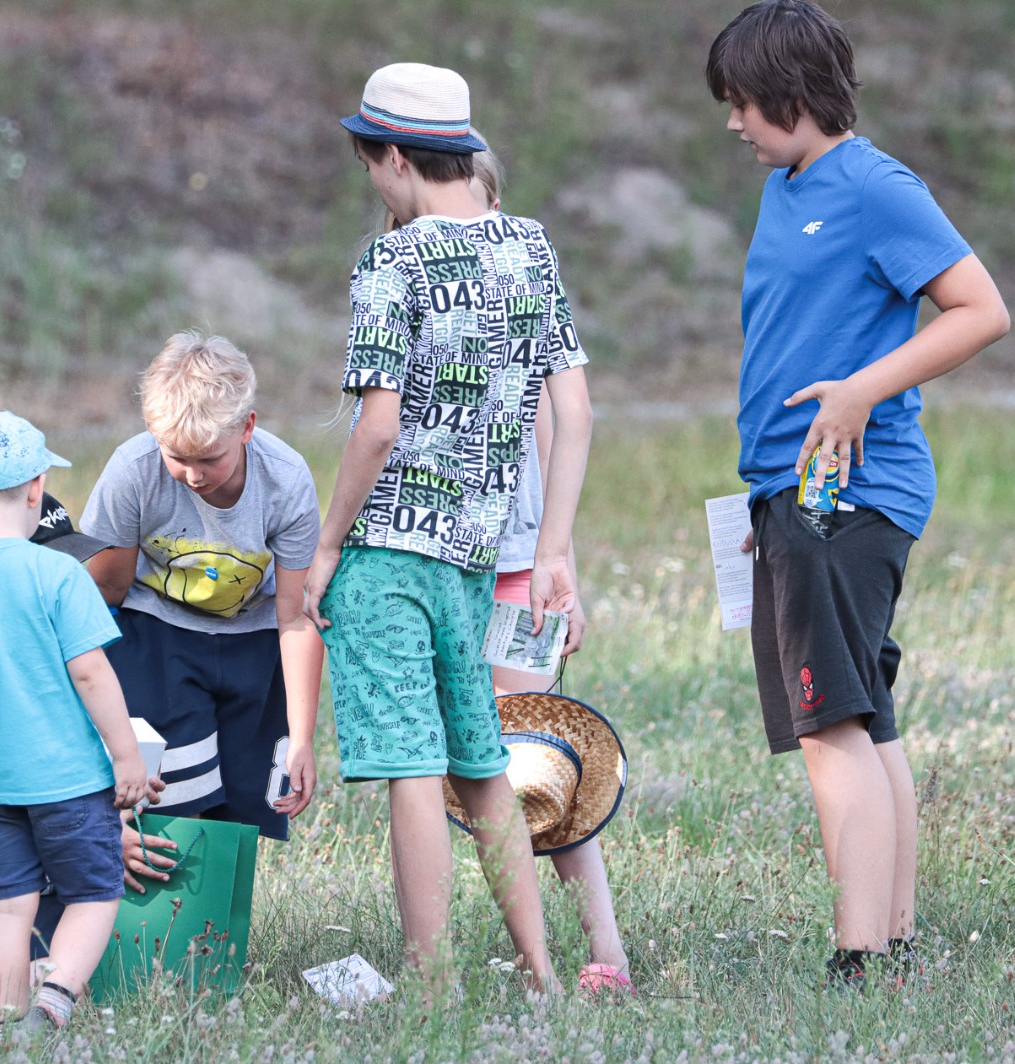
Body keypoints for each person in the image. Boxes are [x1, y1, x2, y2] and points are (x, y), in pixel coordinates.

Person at [706, 0, 1009, 986]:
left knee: (828, 722)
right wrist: (763, 498)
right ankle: (898, 934)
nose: (733, 122)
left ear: (793, 92)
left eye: (743, 101)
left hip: (849, 491)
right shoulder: (787, 184)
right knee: (862, 717)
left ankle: (860, 955)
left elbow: (980, 310)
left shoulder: (876, 187)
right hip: (795, 495)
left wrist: (867, 389)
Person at [304, 62, 595, 998]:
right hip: (475, 559)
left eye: (370, 165)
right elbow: (576, 410)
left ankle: (435, 987)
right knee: (481, 765)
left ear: (393, 158)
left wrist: (326, 543)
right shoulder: (531, 245)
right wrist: (551, 550)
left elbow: (379, 426)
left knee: (411, 769)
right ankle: (542, 973)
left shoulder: (392, 260)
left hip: (389, 552)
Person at [0, 412, 151, 1037]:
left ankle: (3, 1021)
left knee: (6, 907)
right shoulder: (59, 574)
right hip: (69, 780)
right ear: (38, 488)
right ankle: (53, 1000)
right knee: (95, 895)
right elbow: (93, 675)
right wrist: (127, 758)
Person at [464, 144, 634, 998]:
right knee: (453, 770)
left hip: (515, 570)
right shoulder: (406, 286)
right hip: (434, 571)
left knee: (534, 757)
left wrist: (558, 561)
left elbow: (555, 426)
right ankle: (525, 956)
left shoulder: (521, 287)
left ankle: (604, 952)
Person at [79, 330, 323, 870]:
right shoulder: (133, 471)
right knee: (173, 798)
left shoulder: (286, 482)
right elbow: (106, 590)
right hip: (157, 635)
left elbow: (295, 618)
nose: (193, 476)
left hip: (255, 641)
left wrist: (302, 738)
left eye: (209, 459)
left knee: (242, 807)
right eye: (177, 457)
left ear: (247, 428)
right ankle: (160, 938)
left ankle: (216, 942)